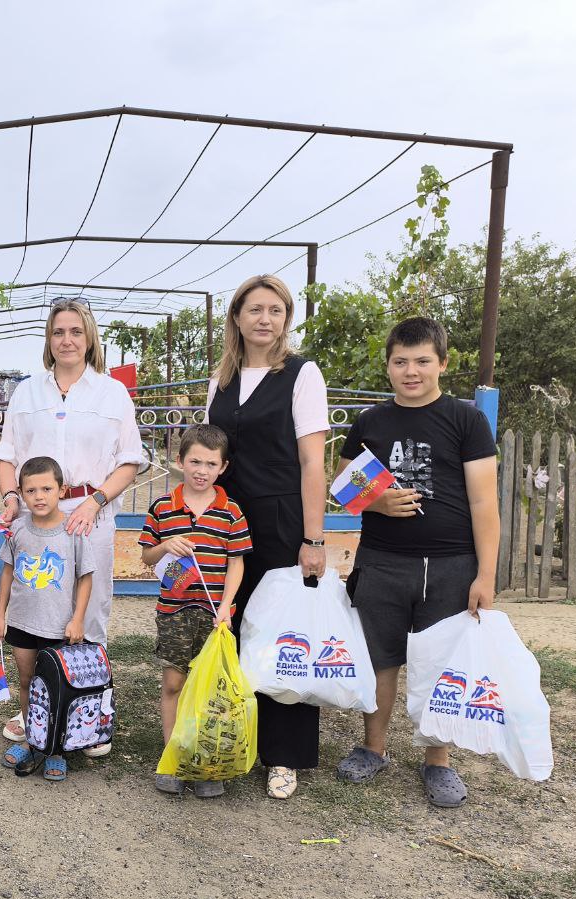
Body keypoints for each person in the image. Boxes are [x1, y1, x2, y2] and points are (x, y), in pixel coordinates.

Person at [334, 317, 498, 808]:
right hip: (383, 560)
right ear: (388, 367)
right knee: (380, 660)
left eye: (423, 361)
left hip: (451, 564)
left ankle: (437, 762)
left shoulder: (466, 421)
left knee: (439, 666)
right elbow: (344, 485)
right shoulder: (371, 422)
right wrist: (379, 501)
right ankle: (373, 748)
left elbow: (484, 504)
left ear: (442, 364)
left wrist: (485, 576)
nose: (411, 371)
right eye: (401, 362)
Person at [0, 299, 146, 754]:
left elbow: (129, 460)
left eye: (76, 332)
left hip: (87, 512)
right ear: (48, 339)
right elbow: (6, 454)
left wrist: (96, 501)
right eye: (58, 332)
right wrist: (10, 498)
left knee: (88, 613)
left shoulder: (112, 392)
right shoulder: (28, 392)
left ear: (89, 337)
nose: (67, 340)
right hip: (36, 516)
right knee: (33, 606)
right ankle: (33, 707)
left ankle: (89, 713)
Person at [207, 274, 330, 801]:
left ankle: (287, 754)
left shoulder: (303, 375)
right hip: (227, 520)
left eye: (275, 310)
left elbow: (312, 461)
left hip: (280, 520)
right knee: (230, 626)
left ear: (286, 319)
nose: (265, 319)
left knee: (284, 635)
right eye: (255, 309)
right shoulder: (222, 378)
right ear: (237, 317)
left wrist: (314, 538)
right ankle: (238, 738)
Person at [138, 424, 251, 799]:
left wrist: (225, 607)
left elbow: (236, 562)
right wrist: (165, 545)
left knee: (210, 690)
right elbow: (146, 557)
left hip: (215, 616)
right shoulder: (162, 508)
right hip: (174, 611)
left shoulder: (231, 512)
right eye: (195, 461)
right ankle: (172, 756)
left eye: (211, 464)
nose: (201, 470)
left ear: (223, 467)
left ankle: (206, 761)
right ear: (180, 461)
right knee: (175, 683)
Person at [0, 456, 94, 781]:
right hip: (21, 623)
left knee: (55, 691)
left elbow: (86, 577)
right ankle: (34, 741)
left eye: (47, 488)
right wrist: (0, 616)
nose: (39, 496)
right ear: (20, 492)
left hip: (56, 627)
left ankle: (56, 749)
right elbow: (8, 572)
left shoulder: (73, 530)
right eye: (31, 489)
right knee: (26, 684)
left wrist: (78, 619)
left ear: (62, 490)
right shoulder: (18, 529)